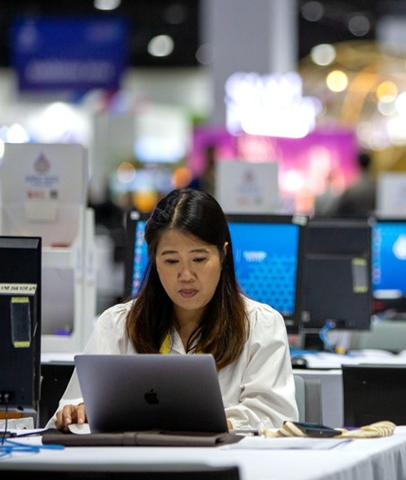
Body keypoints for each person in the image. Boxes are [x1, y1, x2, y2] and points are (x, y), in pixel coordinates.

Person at [50, 188, 298, 431]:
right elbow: (71, 409)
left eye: (199, 259)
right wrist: (75, 413)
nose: (186, 275)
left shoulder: (260, 326)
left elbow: (273, 417)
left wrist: (209, 424)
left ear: (223, 255)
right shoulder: (117, 324)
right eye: (171, 261)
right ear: (154, 259)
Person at [334, 151, 377, 217]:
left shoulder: (352, 189)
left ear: (358, 164)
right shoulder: (376, 187)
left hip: (354, 224)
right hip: (373, 224)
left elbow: (339, 210)